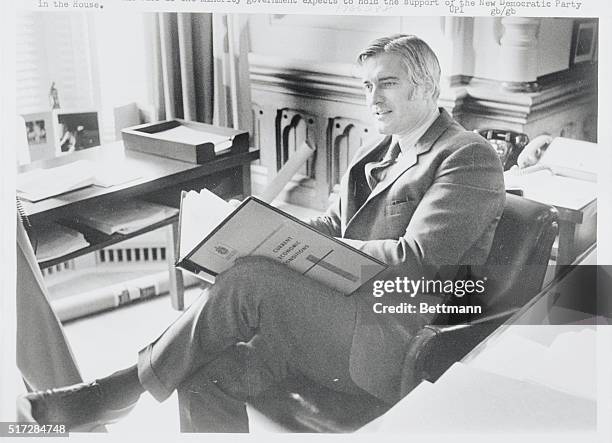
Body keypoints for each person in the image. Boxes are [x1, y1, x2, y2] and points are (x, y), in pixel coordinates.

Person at [21, 34, 505, 432]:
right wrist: (260, 231)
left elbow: (417, 259)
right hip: (323, 321)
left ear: (426, 87)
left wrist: (312, 251)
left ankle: (119, 389)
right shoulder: (374, 154)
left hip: (388, 339)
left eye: (387, 84)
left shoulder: (467, 155)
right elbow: (331, 227)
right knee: (200, 373)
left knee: (252, 279)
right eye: (365, 85)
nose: (371, 98)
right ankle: (124, 389)